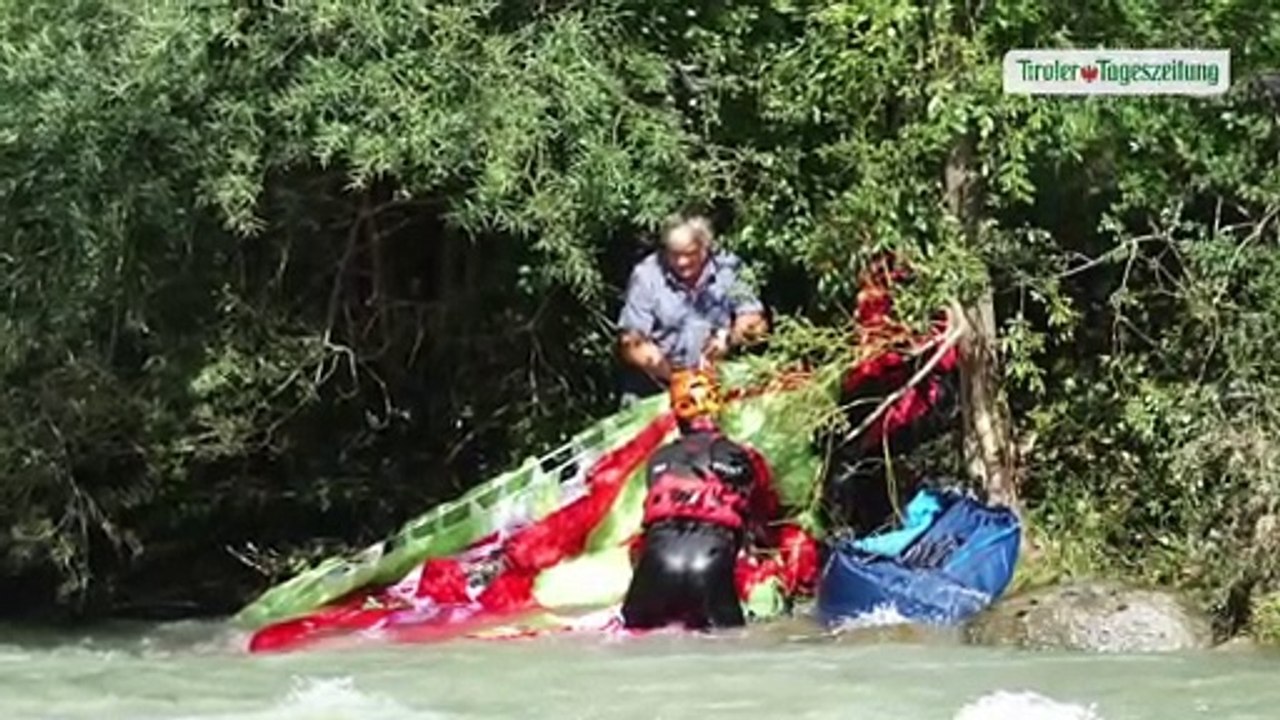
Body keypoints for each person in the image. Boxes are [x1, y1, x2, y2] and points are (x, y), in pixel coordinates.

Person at [620, 368, 772, 631]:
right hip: (710, 567)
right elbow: (763, 526)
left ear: (676, 413)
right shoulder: (743, 457)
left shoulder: (658, 459)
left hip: (656, 566)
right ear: (719, 408)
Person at [616, 213, 769, 406]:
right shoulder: (646, 275)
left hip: (716, 385)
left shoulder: (728, 268)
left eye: (689, 254)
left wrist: (728, 340)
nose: (681, 262)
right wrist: (677, 377)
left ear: (705, 247)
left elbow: (755, 323)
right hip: (656, 389)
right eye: (674, 254)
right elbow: (631, 343)